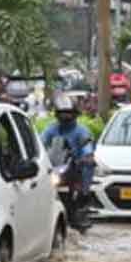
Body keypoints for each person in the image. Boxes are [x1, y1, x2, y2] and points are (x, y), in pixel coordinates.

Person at [41, 95, 95, 231]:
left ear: (75, 114)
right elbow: (41, 143)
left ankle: (83, 197)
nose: (65, 117)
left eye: (68, 113)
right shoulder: (51, 129)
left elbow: (87, 146)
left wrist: (87, 155)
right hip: (56, 167)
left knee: (89, 165)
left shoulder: (81, 131)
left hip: (75, 167)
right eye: (62, 114)